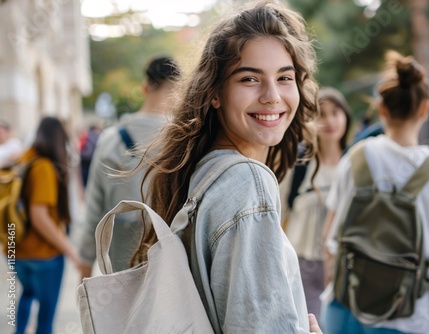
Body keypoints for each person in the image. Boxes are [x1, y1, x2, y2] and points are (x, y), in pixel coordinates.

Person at [132, 1, 323, 332]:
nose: (272, 95)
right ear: (215, 93)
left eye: (284, 77)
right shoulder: (248, 183)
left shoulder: (204, 172)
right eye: (250, 79)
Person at [321, 51, 429, 334]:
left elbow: (328, 238)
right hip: (411, 317)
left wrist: (335, 286)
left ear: (382, 108)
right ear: (425, 109)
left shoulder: (355, 158)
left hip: (344, 308)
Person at [75, 56, 181, 276]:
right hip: (173, 266)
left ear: (145, 88)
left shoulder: (111, 140)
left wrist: (85, 263)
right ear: (179, 91)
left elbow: (95, 208)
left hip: (122, 264)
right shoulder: (185, 141)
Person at [6, 117, 84, 334]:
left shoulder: (24, 159)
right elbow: (39, 215)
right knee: (46, 318)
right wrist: (70, 250)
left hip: (17, 249)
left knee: (27, 294)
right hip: (44, 253)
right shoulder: (44, 167)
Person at [280, 87, 352, 320]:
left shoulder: (356, 165)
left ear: (345, 117)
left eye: (335, 112)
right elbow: (279, 212)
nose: (330, 121)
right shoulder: (298, 162)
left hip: (346, 268)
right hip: (302, 266)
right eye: (322, 114)